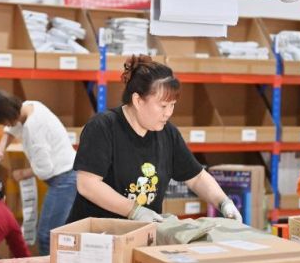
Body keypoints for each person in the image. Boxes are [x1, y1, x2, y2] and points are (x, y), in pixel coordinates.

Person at [67, 55, 242, 223]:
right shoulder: (103, 127)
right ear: (137, 100)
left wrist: (224, 203)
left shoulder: (167, 133)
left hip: (140, 234)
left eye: (172, 105)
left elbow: (195, 177)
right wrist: (134, 210)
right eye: (163, 106)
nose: (168, 113)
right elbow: (87, 184)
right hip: (96, 234)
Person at [0, 90, 77, 255]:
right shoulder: (30, 106)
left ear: (6, 117)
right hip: (68, 172)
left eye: (0, 122)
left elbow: (46, 169)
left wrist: (23, 174)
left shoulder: (33, 130)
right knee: (56, 232)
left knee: (46, 236)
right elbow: (11, 129)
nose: (3, 126)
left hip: (64, 180)